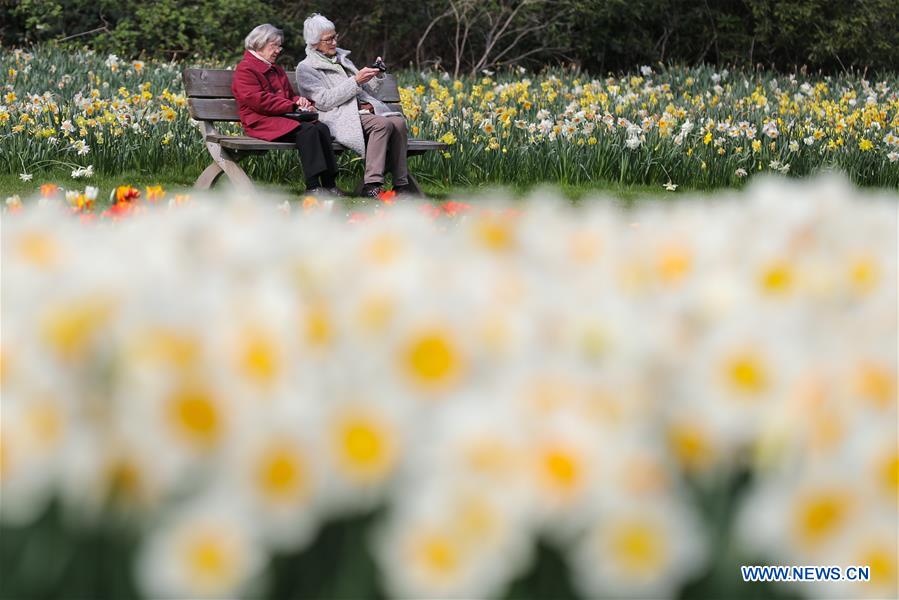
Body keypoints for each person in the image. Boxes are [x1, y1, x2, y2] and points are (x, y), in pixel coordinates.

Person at [296, 14, 412, 197]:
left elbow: (367, 90)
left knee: (398, 122)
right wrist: (355, 82)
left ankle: (401, 184)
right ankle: (372, 184)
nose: (334, 42)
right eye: (329, 39)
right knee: (382, 125)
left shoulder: (341, 59)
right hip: (338, 116)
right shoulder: (306, 68)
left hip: (361, 111)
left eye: (335, 36)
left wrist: (376, 74)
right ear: (314, 43)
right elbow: (324, 101)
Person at [232, 23, 344, 196]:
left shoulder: (276, 69)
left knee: (321, 128)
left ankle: (329, 185)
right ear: (259, 44)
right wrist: (292, 105)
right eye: (274, 46)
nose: (278, 50)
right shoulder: (246, 69)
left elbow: (288, 96)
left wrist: (298, 100)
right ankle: (313, 187)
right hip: (260, 121)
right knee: (307, 131)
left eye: (279, 46)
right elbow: (259, 101)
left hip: (281, 118)